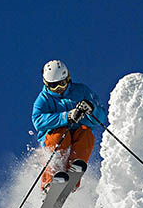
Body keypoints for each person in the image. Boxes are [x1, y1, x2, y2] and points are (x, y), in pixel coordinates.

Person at [32, 60, 106, 192]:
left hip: (77, 132)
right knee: (59, 135)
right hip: (55, 137)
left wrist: (91, 109)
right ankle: (50, 182)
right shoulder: (44, 99)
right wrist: (67, 116)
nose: (59, 88)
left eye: (62, 83)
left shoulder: (81, 91)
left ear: (68, 79)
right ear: (46, 84)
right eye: (53, 85)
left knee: (86, 134)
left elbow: (100, 118)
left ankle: (74, 172)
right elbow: (38, 120)